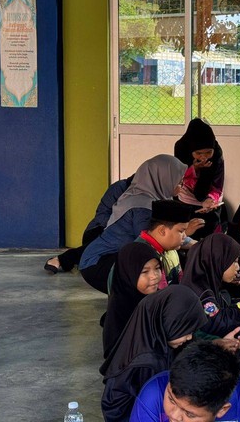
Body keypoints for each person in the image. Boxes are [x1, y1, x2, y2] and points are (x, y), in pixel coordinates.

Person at [78, 154, 187, 293]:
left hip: (110, 256)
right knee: (147, 266)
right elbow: (153, 242)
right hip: (98, 263)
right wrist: (190, 240)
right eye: (179, 182)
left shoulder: (151, 198)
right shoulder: (143, 206)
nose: (182, 187)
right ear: (164, 179)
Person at [100, 286, 209, 422]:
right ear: (168, 322)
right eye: (186, 331)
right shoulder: (147, 363)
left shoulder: (152, 338)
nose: (189, 337)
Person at [103, 199, 196, 357]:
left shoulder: (169, 252)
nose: (184, 237)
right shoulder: (134, 258)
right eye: (181, 231)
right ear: (162, 230)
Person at [180, 234, 240, 372]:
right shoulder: (201, 292)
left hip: (213, 347)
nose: (238, 267)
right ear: (218, 260)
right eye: (234, 261)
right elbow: (218, 324)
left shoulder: (207, 284)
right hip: (203, 358)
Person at [130, 341, 240, 422]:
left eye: (189, 414)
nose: (174, 416)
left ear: (222, 410)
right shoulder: (154, 392)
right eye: (171, 399)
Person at [44, 175, 134, 274]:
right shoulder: (120, 187)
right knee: (99, 246)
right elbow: (103, 214)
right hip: (100, 229)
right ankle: (61, 259)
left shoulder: (143, 194)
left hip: (122, 234)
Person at [102, 243, 162, 359]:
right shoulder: (119, 309)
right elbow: (115, 355)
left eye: (157, 268)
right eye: (144, 271)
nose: (154, 276)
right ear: (128, 273)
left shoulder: (159, 298)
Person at [174, 119, 225, 237]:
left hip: (209, 202)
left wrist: (210, 199)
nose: (204, 157)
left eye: (208, 152)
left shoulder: (217, 156)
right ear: (191, 151)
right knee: (187, 231)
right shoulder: (181, 149)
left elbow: (218, 183)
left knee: (209, 227)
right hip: (186, 199)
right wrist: (194, 168)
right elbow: (179, 177)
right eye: (199, 153)